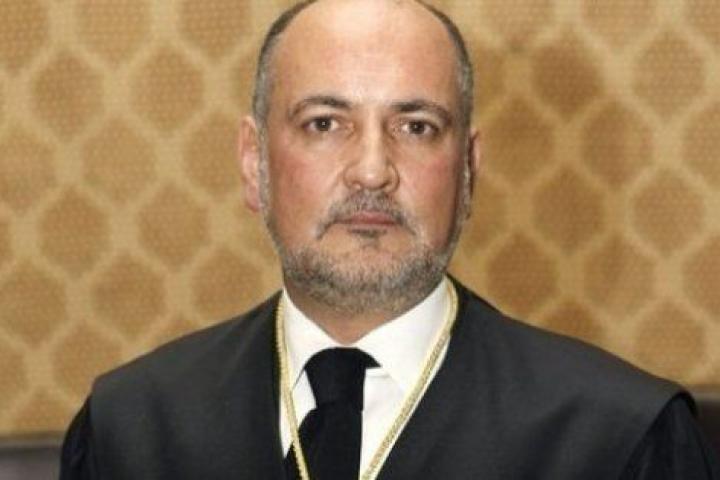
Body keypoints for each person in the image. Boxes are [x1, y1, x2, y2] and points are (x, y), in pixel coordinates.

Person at [60, 0, 720, 479]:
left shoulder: (620, 439)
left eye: (416, 126)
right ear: (253, 163)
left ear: (468, 170)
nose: (373, 170)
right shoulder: (131, 431)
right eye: (324, 123)